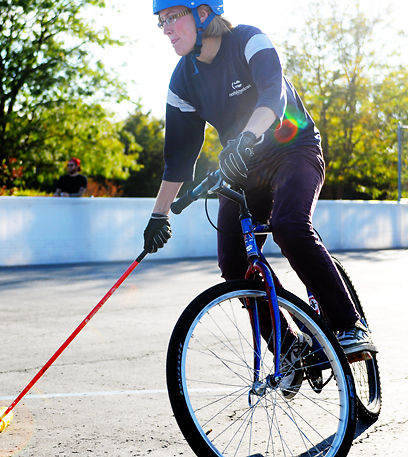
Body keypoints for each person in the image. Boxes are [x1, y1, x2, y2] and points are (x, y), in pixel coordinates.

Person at [143, 1, 376, 357]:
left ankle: (349, 325)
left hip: (294, 149)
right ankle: (287, 346)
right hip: (244, 168)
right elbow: (179, 156)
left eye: (173, 17)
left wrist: (246, 138)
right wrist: (158, 215)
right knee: (233, 264)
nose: (166, 28)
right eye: (161, 22)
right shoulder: (182, 80)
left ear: (203, 14)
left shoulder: (248, 40)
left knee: (288, 225)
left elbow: (273, 96)